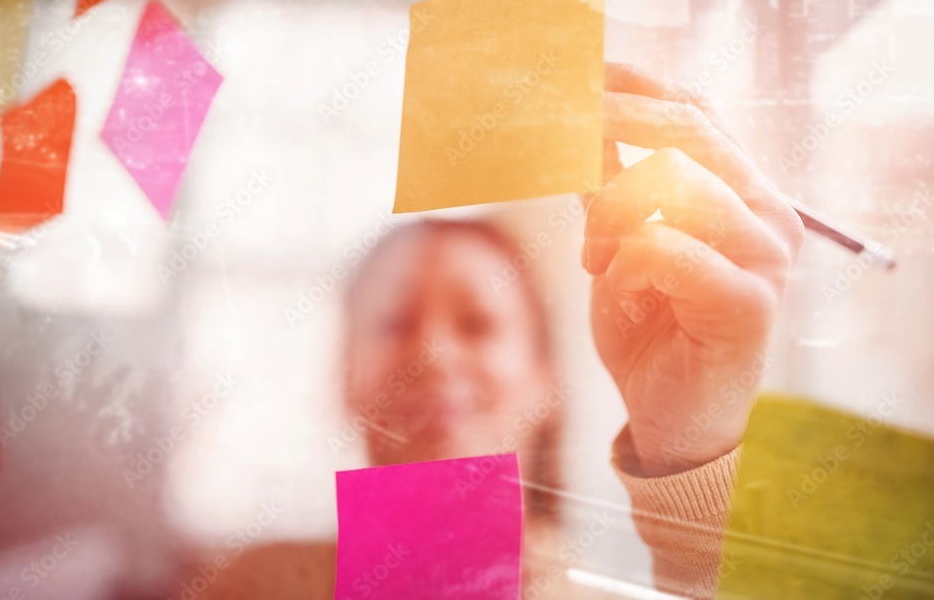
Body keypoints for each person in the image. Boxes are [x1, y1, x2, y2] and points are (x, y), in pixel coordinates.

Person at [198, 64, 803, 599]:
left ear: (547, 380)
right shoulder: (248, 586)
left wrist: (692, 448)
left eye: (479, 323)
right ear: (343, 375)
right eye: (393, 322)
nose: (432, 354)